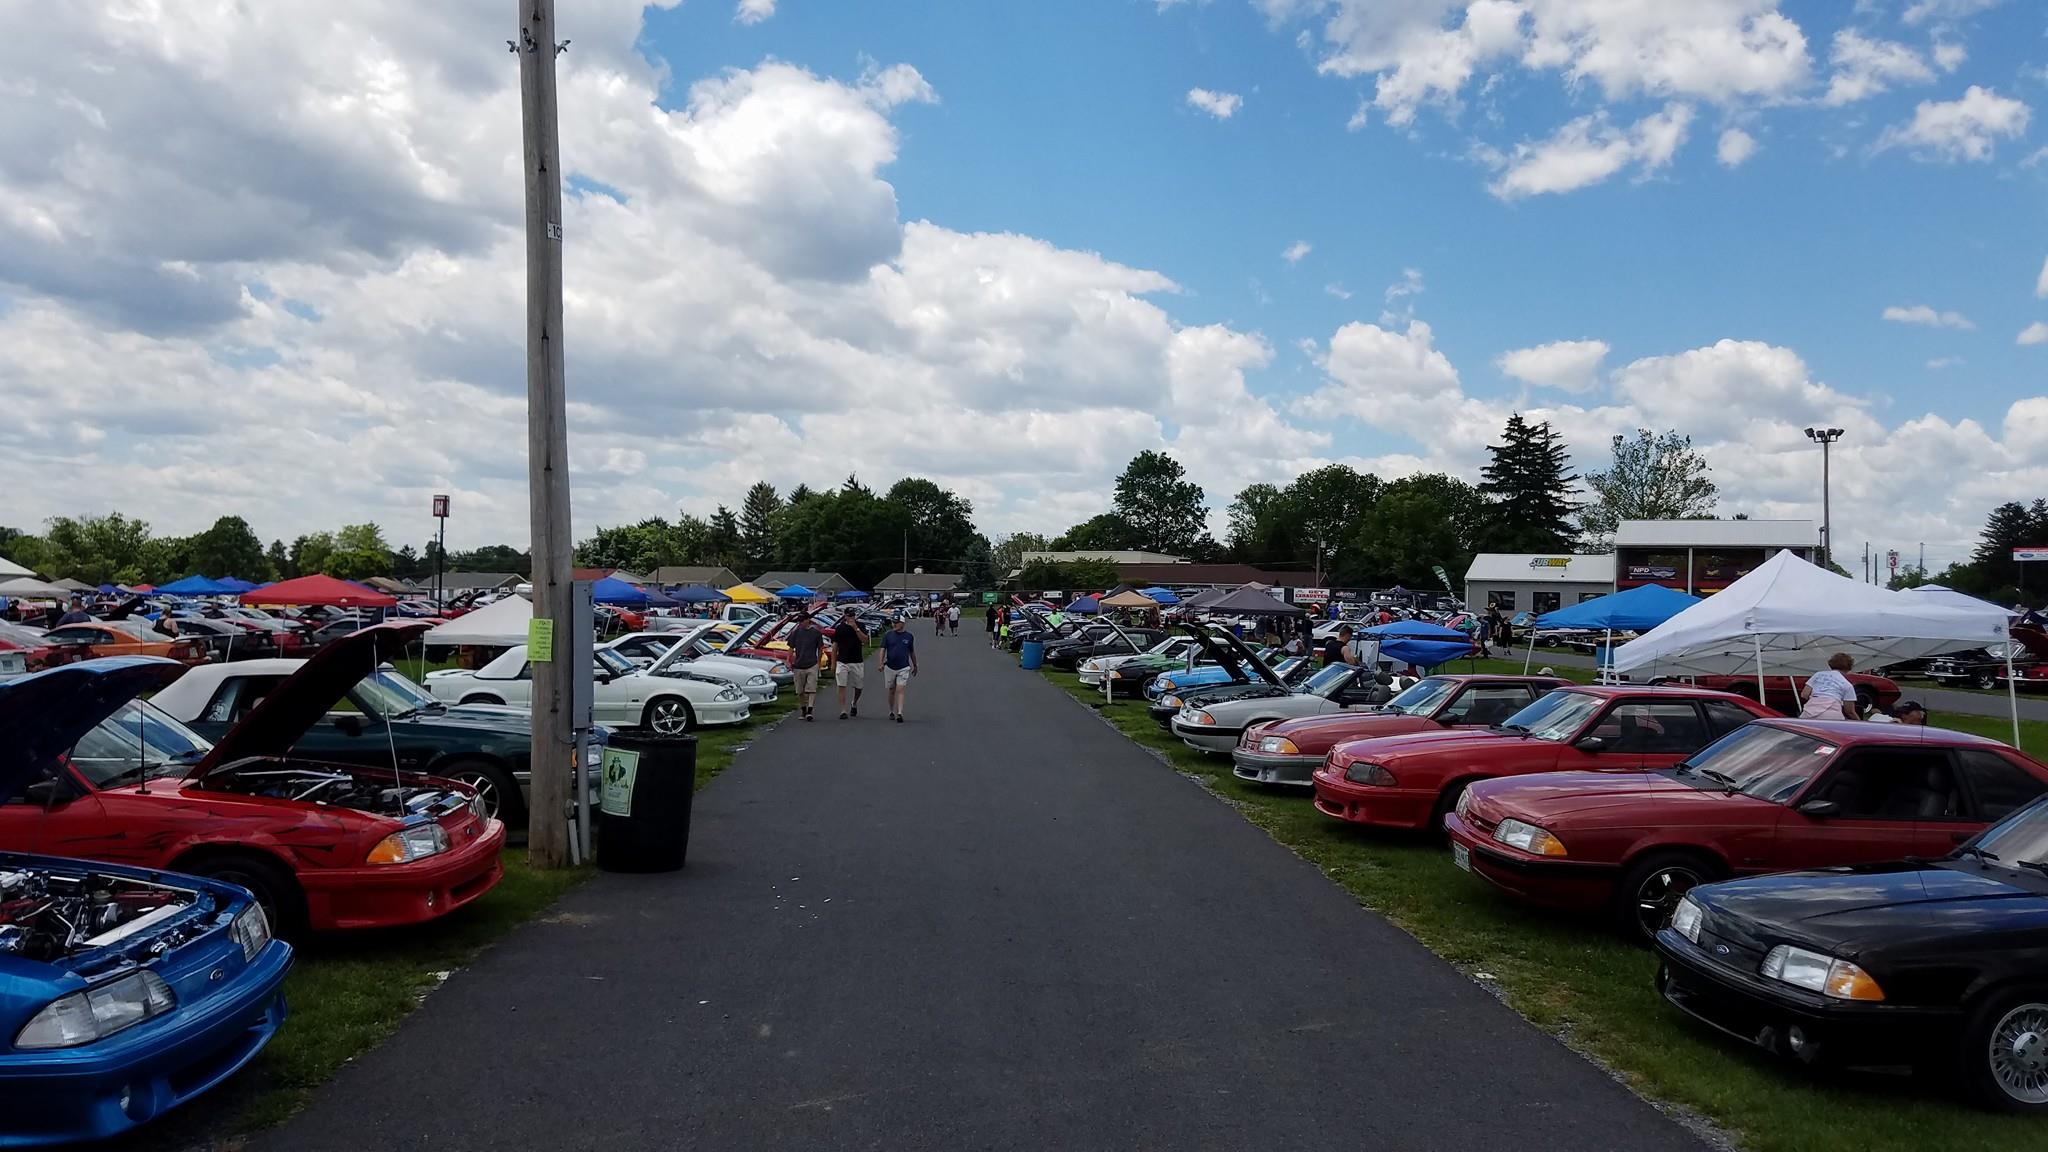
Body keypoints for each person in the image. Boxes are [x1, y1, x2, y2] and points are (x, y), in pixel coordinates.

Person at [786, 613, 825, 721]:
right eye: (799, 621)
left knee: (811, 688)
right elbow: (790, 647)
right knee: (800, 691)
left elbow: (820, 648)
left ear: (808, 620)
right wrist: (789, 660)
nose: (800, 623)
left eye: (802, 620)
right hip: (798, 665)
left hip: (812, 664)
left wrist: (818, 662)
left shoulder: (816, 633)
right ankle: (804, 709)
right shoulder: (795, 633)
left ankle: (810, 710)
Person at [879, 616, 918, 722]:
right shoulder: (888, 635)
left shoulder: (909, 636)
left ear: (902, 623)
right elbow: (883, 649)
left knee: (900, 689)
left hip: (903, 667)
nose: (894, 624)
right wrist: (881, 663)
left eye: (897, 622)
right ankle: (891, 710)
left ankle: (900, 712)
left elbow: (911, 652)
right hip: (890, 666)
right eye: (893, 622)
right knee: (891, 689)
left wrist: (915, 665)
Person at [1798, 652, 1860, 720]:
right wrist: (1860, 722)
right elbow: (1849, 711)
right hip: (1832, 715)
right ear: (1849, 668)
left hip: (1809, 712)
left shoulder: (1818, 674)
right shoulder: (1847, 685)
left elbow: (1804, 694)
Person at [833, 612, 868, 719]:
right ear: (845, 616)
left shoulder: (861, 625)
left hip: (856, 660)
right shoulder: (840, 628)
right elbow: (835, 646)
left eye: (852, 616)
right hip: (842, 661)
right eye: (849, 616)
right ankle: (843, 710)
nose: (851, 618)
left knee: (859, 686)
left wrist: (856, 628)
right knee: (841, 685)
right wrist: (833, 663)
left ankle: (854, 702)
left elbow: (865, 640)